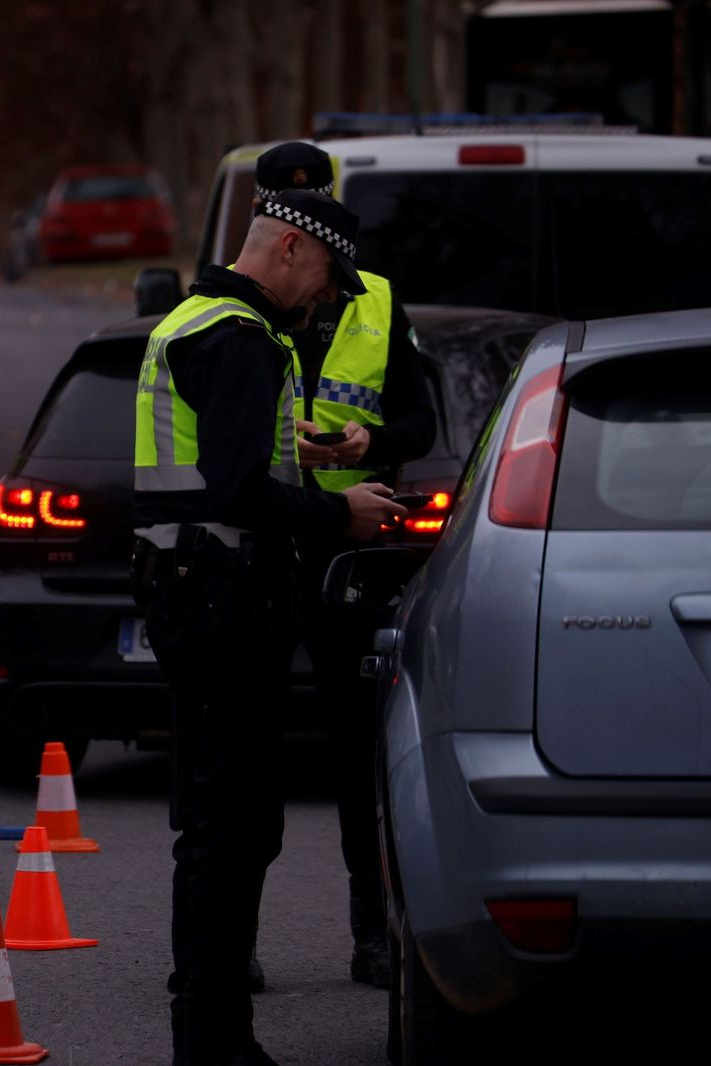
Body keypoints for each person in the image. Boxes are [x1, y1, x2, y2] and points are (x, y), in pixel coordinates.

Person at [132, 189, 399, 1066]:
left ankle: (208, 1035)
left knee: (221, 820)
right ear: (287, 250)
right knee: (233, 829)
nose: (327, 296)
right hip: (224, 598)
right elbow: (238, 491)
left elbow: (223, 455)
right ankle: (212, 1042)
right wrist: (339, 516)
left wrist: (307, 453)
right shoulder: (244, 339)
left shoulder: (194, 320)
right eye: (326, 275)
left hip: (190, 591)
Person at [247, 143, 437, 992]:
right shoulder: (234, 303)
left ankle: (370, 933)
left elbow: (420, 424)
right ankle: (233, 936)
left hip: (345, 550)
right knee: (245, 752)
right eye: (288, 203)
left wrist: (369, 442)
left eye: (313, 200)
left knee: (360, 755)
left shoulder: (376, 300)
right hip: (261, 542)